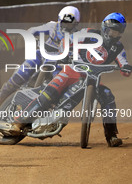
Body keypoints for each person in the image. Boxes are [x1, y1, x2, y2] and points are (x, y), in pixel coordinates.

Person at [16, 12, 132, 147]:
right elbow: (67, 40)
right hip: (71, 71)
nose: (113, 35)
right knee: (48, 95)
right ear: (104, 28)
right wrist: (65, 53)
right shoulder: (89, 33)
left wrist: (126, 68)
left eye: (117, 33)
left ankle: (111, 136)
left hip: (93, 79)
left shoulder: (118, 47)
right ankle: (19, 120)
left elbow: (123, 63)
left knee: (107, 96)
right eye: (111, 31)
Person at [0, 6, 80, 139]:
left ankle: (44, 119)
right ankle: (0, 97)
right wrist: (34, 40)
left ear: (76, 24)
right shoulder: (51, 27)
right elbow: (31, 31)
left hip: (58, 66)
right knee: (20, 74)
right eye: (65, 22)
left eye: (70, 24)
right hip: (41, 57)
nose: (67, 26)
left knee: (55, 93)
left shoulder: (78, 37)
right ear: (59, 20)